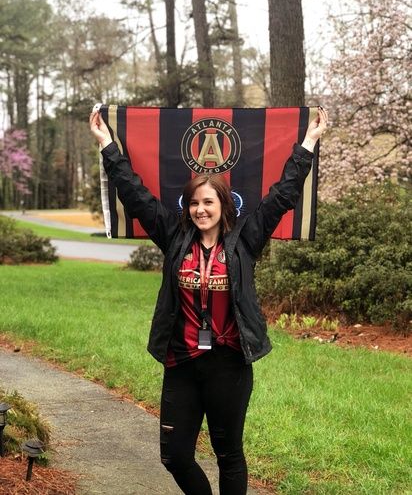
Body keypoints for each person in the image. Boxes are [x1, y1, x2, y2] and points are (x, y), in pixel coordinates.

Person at [89, 106, 328, 495]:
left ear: (224, 206)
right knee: (175, 456)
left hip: (228, 363)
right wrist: (107, 146)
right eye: (194, 203)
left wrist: (309, 143)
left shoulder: (245, 240)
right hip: (181, 361)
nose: (200, 210)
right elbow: (134, 195)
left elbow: (283, 195)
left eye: (208, 203)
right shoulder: (174, 236)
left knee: (228, 454)